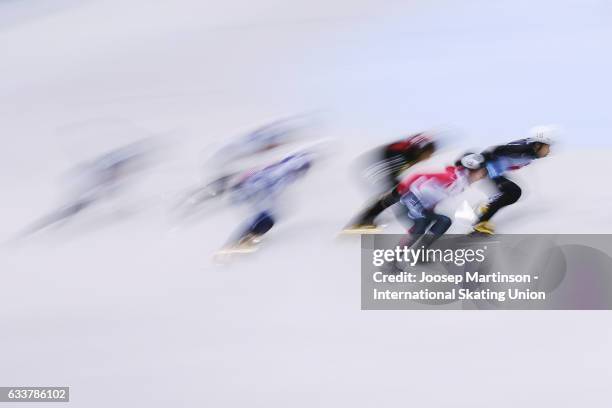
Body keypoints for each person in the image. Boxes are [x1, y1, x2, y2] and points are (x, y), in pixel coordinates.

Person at [219, 151, 313, 253]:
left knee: (266, 218)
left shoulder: (279, 170)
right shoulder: (283, 172)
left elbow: (255, 176)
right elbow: (267, 183)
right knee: (267, 218)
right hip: (253, 192)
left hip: (252, 191)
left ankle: (243, 240)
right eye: (302, 170)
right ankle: (242, 241)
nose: (301, 174)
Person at [344, 132, 437, 231]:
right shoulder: (402, 155)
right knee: (395, 194)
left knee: (397, 193)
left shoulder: (412, 154)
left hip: (387, 162)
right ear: (420, 150)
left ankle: (366, 220)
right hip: (375, 165)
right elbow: (392, 176)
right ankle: (363, 221)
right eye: (429, 153)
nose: (429, 157)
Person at [472, 125, 554, 235]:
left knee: (513, 194)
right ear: (538, 144)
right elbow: (495, 149)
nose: (549, 151)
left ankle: (488, 208)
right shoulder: (522, 148)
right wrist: (480, 165)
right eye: (548, 147)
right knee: (513, 191)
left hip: (496, 170)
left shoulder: (531, 151)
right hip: (490, 169)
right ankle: (480, 223)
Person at [395, 153, 488, 249]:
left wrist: (429, 208)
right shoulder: (453, 177)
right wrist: (400, 190)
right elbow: (420, 178)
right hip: (410, 197)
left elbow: (436, 196)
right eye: (481, 171)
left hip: (420, 204)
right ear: (471, 170)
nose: (482, 175)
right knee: (420, 226)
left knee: (444, 221)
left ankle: (420, 251)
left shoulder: (461, 183)